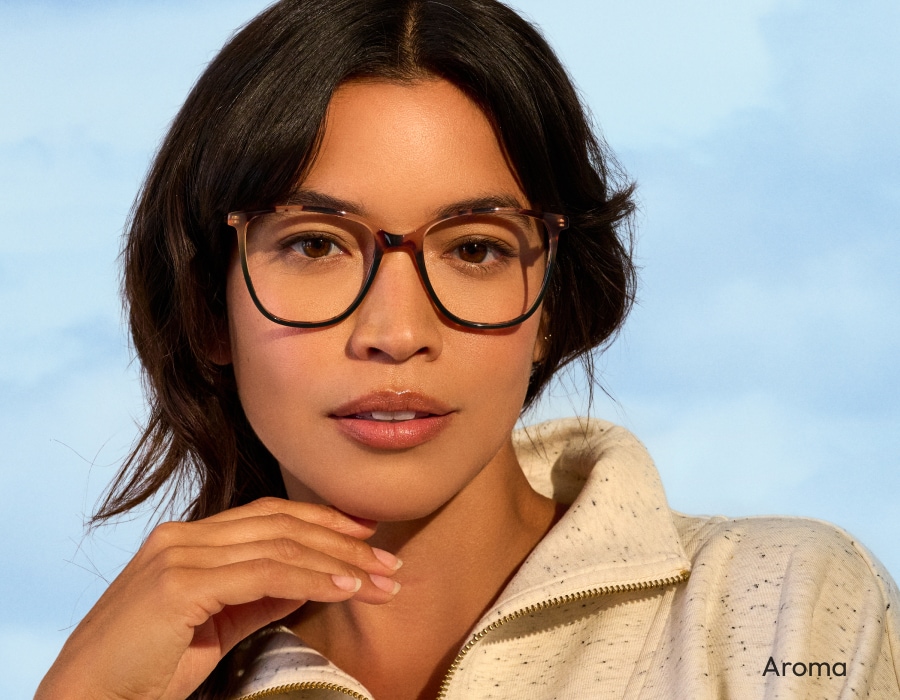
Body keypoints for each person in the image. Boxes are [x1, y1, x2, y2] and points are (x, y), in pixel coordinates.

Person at [36, 1, 900, 698]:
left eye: (477, 248)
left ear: (554, 301)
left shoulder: (784, 604)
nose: (397, 335)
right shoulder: (149, 678)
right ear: (207, 309)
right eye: (314, 245)